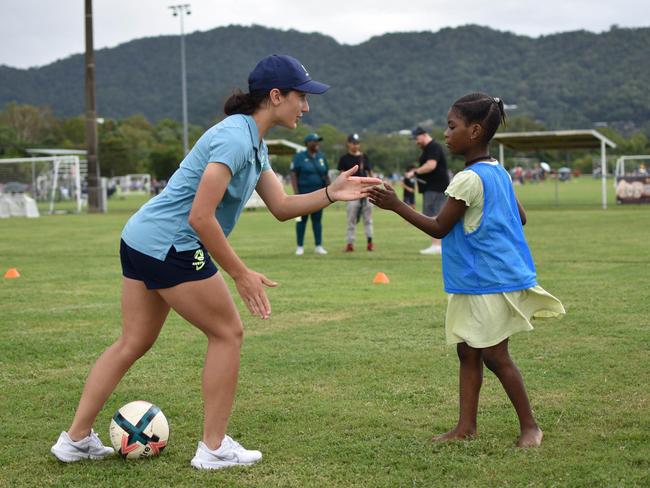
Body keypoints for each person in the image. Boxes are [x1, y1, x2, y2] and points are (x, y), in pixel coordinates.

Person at [50, 54, 381, 469]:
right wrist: (240, 274)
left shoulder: (253, 143)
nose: (307, 106)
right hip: (171, 244)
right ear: (276, 96)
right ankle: (213, 447)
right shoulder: (235, 139)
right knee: (228, 333)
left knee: (133, 341)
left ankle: (75, 440)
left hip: (141, 238)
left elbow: (280, 205)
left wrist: (332, 193)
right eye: (301, 97)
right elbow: (200, 217)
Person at [369, 93, 565, 448]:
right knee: (468, 351)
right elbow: (520, 217)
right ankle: (465, 427)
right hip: (475, 280)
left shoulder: (468, 179)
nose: (445, 133)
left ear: (474, 131)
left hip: (487, 280)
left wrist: (396, 205)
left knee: (494, 354)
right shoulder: (498, 172)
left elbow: (439, 228)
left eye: (451, 125)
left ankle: (530, 427)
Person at [406, 126, 449, 255]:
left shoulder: (433, 147)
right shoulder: (428, 148)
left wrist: (415, 172)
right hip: (431, 188)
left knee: (435, 216)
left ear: (423, 135)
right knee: (431, 214)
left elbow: (431, 165)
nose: (416, 142)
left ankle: (437, 245)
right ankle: (435, 244)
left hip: (436, 187)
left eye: (416, 138)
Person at [290, 132, 330, 255]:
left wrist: (329, 190)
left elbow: (325, 174)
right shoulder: (299, 157)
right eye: (315, 141)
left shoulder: (321, 157)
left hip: (319, 195)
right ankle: (300, 246)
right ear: (308, 143)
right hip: (303, 195)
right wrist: (296, 192)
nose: (317, 143)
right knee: (301, 221)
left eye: (318, 141)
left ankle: (318, 245)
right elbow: (293, 175)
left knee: (317, 220)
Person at [338, 133, 374, 251]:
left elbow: (370, 174)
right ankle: (350, 244)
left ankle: (370, 242)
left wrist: (373, 189)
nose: (356, 145)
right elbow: (342, 176)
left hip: (366, 191)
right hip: (351, 193)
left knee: (368, 219)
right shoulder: (344, 159)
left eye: (358, 143)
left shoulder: (364, 157)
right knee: (351, 220)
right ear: (348, 144)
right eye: (354, 143)